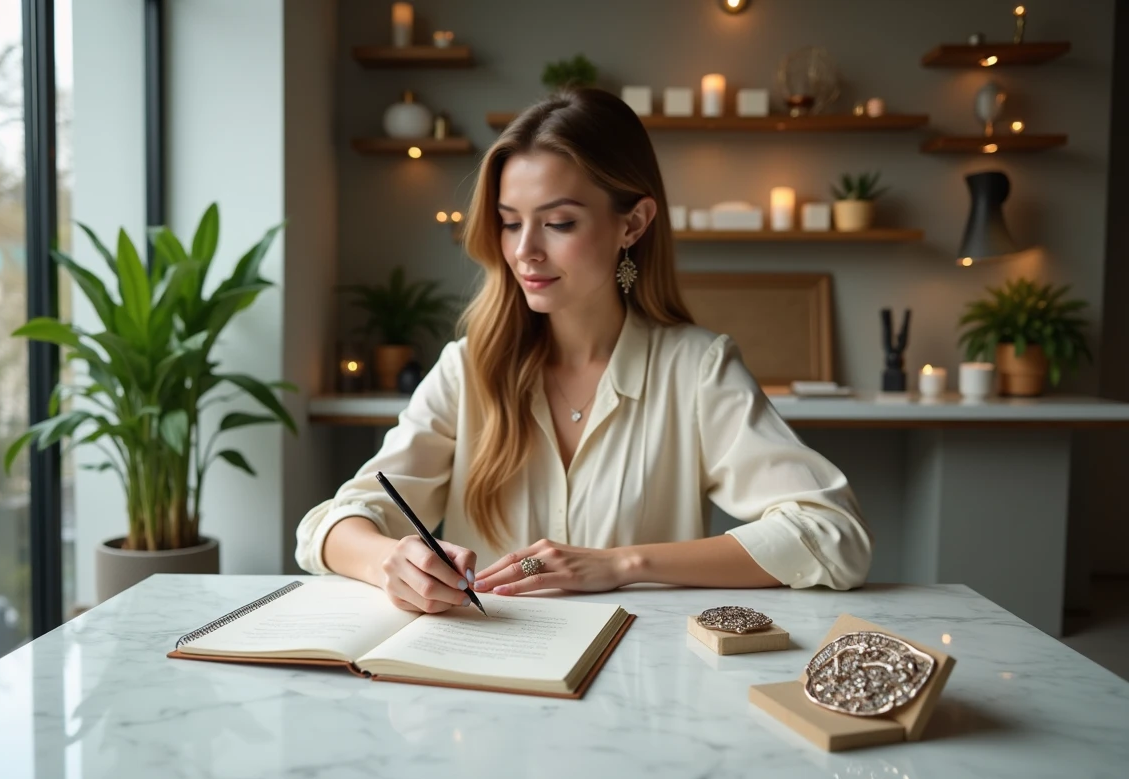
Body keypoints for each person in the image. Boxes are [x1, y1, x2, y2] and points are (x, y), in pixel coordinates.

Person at [296, 88, 872, 614]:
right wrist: (389, 562)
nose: (525, 251)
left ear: (634, 223)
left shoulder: (697, 370)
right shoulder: (469, 369)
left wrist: (623, 565)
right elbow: (330, 525)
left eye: (559, 223)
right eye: (509, 222)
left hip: (638, 690)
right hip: (486, 687)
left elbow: (832, 535)